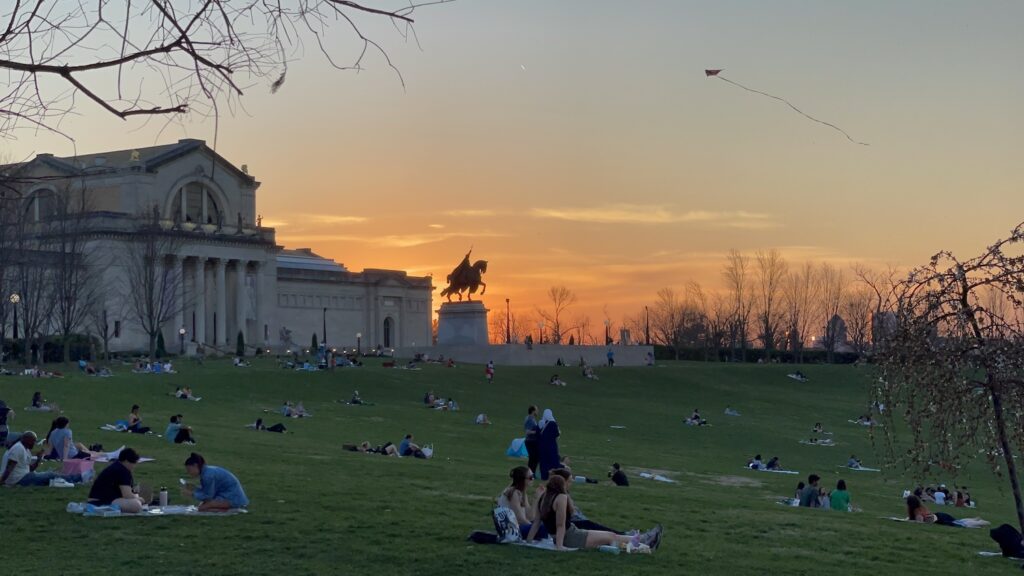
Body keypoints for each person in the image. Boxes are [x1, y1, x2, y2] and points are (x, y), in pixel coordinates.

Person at [525, 475, 660, 551]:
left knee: (610, 537)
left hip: (568, 534)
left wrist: (529, 541)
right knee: (611, 537)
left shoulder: (544, 498)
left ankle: (642, 541)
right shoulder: (561, 498)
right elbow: (561, 525)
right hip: (572, 537)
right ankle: (645, 540)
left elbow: (536, 523)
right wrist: (560, 546)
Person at [1, 431, 86, 487]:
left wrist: (39, 459)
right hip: (19, 479)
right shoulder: (18, 449)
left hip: (23, 476)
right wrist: (2, 482)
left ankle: (75, 478)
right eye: (33, 441)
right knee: (50, 475)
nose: (34, 444)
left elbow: (29, 469)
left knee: (50, 473)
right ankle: (78, 478)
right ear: (27, 440)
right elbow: (9, 468)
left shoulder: (24, 448)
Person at [182, 453, 249, 511]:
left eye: (189, 469)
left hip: (233, 498)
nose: (188, 472)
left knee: (202, 508)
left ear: (195, 465)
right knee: (203, 506)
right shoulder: (207, 472)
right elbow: (208, 491)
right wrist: (195, 488)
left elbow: (208, 496)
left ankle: (231, 509)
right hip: (229, 495)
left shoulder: (207, 476)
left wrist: (192, 494)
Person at [88, 447, 145, 513]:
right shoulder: (123, 471)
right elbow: (127, 495)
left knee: (135, 500)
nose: (134, 466)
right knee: (136, 505)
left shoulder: (117, 466)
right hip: (101, 501)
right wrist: (139, 499)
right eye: (134, 463)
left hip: (97, 499)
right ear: (126, 461)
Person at [498, 466, 540, 539]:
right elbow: (520, 519)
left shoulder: (521, 493)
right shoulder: (514, 493)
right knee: (543, 528)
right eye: (530, 477)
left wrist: (536, 498)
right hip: (512, 529)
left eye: (533, 476)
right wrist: (533, 528)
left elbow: (530, 516)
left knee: (543, 524)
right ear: (522, 479)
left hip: (518, 527)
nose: (533, 479)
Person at [906, 494, 988, 527]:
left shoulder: (917, 511)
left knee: (960, 524)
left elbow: (919, 522)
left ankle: (980, 522)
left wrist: (909, 521)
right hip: (939, 515)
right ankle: (975, 519)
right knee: (957, 521)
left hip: (940, 519)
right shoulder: (921, 507)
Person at [537, 409, 561, 480]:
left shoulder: (541, 422)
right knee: (553, 460)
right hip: (551, 445)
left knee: (544, 461)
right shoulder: (553, 423)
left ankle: (544, 476)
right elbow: (556, 434)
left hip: (542, 446)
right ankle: (554, 475)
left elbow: (537, 433)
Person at [524, 405, 541, 477]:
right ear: (533, 411)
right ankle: (530, 474)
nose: (538, 411)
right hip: (531, 441)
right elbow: (527, 431)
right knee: (533, 458)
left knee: (535, 458)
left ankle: (531, 474)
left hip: (532, 441)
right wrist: (537, 432)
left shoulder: (532, 419)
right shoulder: (530, 419)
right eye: (537, 410)